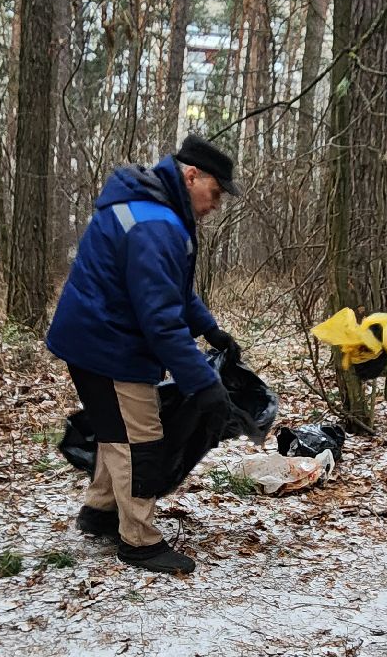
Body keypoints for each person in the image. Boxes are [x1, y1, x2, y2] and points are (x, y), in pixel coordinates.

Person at [46, 135, 241, 575]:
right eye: (215, 193)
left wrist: (211, 330)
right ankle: (139, 541)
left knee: (117, 431)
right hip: (110, 343)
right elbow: (161, 321)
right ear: (192, 176)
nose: (215, 205)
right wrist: (204, 385)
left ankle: (99, 511)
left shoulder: (151, 208)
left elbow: (173, 290)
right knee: (141, 439)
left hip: (92, 337)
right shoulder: (157, 223)